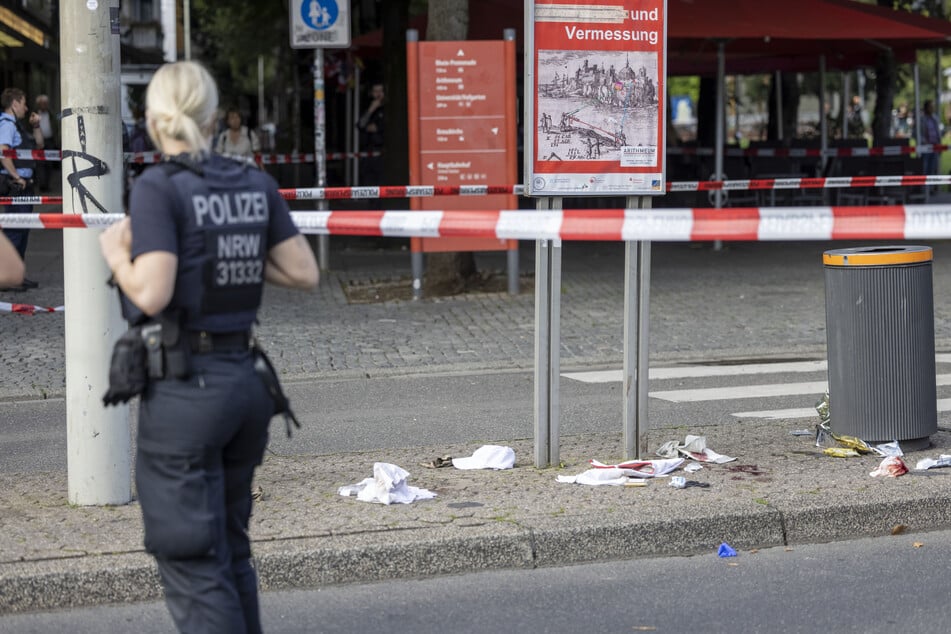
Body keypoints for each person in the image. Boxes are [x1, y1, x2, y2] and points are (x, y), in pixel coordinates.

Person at [98, 61, 318, 633]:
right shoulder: (253, 182)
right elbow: (303, 272)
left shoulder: (158, 187)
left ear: (151, 120)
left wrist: (116, 255)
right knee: (228, 547)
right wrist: (230, 251)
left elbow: (153, 291)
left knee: (194, 561)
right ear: (214, 116)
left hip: (186, 392)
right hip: (245, 381)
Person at [0, 87, 44, 292]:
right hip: (17, 186)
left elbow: (39, 146)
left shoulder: (17, 125)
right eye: (24, 103)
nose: (26, 108)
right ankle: (7, 277)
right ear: (14, 103)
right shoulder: (7, 124)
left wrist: (36, 126)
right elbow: (3, 153)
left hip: (24, 185)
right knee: (15, 231)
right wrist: (16, 177)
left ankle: (17, 275)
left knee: (22, 230)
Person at [356, 81, 385, 186]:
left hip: (381, 152)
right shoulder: (367, 108)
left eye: (380, 91)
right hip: (367, 150)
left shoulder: (387, 109)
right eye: (375, 91)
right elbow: (361, 125)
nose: (377, 94)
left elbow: (380, 127)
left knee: (381, 183)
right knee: (369, 182)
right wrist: (371, 110)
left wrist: (374, 128)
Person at [33, 94, 56, 192]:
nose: (44, 105)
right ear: (38, 104)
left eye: (45, 103)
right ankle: (42, 185)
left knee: (49, 163)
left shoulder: (51, 114)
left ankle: (47, 184)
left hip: (50, 141)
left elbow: (56, 127)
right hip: (38, 143)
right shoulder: (34, 115)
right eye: (41, 103)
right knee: (40, 164)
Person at [920, 99, 942, 177]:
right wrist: (923, 141)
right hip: (926, 147)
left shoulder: (935, 118)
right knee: (925, 169)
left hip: (935, 146)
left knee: (933, 168)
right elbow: (917, 133)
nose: (932, 108)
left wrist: (939, 143)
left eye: (933, 107)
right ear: (926, 108)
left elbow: (938, 132)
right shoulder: (921, 119)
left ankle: (932, 187)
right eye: (930, 107)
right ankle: (925, 188)